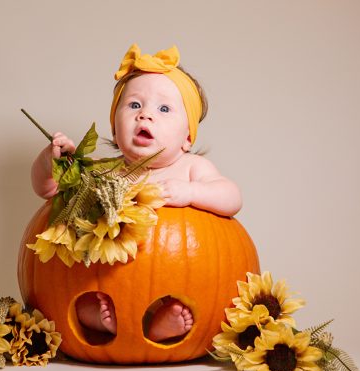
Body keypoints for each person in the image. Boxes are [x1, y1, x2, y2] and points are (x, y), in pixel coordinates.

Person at [31, 44, 242, 343]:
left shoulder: (192, 168)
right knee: (85, 299)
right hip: (105, 281)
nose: (145, 116)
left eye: (164, 109)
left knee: (176, 303)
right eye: (134, 106)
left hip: (171, 278)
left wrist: (192, 192)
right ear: (115, 131)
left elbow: (232, 197)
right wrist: (51, 161)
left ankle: (157, 326)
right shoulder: (105, 172)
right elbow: (47, 189)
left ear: (187, 137)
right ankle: (103, 321)